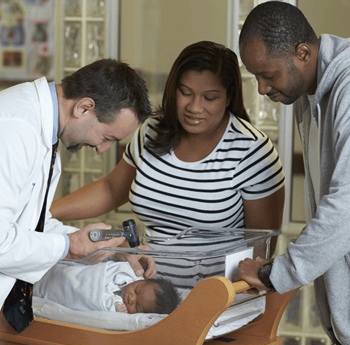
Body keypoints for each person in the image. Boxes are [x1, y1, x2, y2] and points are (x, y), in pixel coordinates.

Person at [50, 41, 285, 287]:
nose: (194, 107)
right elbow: (111, 190)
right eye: (186, 93)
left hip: (215, 302)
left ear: (228, 97)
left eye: (210, 97)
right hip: (149, 297)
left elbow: (261, 250)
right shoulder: (151, 132)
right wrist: (42, 214)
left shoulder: (252, 151)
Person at [232, 2, 350, 345]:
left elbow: (346, 204)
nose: (262, 89)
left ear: (302, 53)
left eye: (268, 75)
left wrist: (275, 274)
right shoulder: (307, 94)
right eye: (256, 76)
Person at [0, 58, 155, 309]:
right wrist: (69, 246)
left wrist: (102, 247)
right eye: (106, 137)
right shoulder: (15, 129)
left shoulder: (42, 131)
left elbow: (29, 226)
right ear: (84, 108)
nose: (102, 150)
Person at [33, 261, 181, 315]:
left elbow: (102, 307)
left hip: (60, 293)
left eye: (138, 307)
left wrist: (114, 309)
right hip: (67, 272)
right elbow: (111, 265)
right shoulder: (127, 272)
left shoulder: (119, 310)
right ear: (141, 280)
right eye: (136, 290)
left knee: (43, 288)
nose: (131, 299)